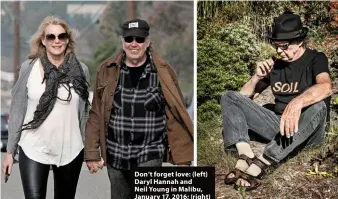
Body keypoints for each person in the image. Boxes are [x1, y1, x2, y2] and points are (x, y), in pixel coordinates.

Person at [221, 11, 332, 191]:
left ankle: (264, 161)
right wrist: (256, 77)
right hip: (280, 127)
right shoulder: (276, 64)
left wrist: (297, 103)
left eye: (284, 46)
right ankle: (245, 155)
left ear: (299, 41)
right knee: (229, 96)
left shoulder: (315, 59)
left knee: (318, 106)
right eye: (276, 46)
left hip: (308, 131)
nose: (279, 51)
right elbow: (242, 99)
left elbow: (326, 87)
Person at [84, 18, 193, 199]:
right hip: (115, 152)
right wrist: (92, 153)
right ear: (123, 41)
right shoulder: (107, 70)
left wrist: (183, 159)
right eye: (129, 39)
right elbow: (96, 113)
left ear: (148, 42)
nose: (134, 44)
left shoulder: (163, 72)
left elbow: (175, 115)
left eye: (139, 40)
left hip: (150, 151)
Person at [2, 16, 90, 199]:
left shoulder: (81, 70)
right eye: (51, 37)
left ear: (67, 39)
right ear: (43, 40)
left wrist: (91, 152)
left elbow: (85, 115)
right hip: (33, 146)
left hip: (70, 149)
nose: (56, 41)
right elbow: (17, 111)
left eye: (61, 36)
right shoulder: (28, 68)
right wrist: (10, 152)